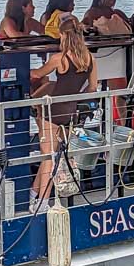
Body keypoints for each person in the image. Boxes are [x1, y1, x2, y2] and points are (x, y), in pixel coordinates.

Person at [28, 13, 98, 211]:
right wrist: (75, 97)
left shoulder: (60, 59)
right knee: (54, 155)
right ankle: (34, 195)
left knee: (48, 157)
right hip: (70, 111)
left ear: (65, 36)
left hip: (52, 111)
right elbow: (92, 87)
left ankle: (41, 202)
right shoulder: (89, 58)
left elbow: (37, 74)